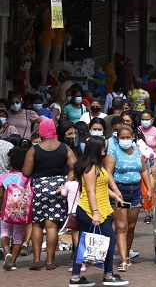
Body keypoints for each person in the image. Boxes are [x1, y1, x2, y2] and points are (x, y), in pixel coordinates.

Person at [69, 136, 129, 287]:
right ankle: (108, 275)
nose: (105, 150)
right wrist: (95, 212)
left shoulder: (98, 166)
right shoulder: (91, 168)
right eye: (103, 148)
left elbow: (101, 187)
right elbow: (90, 191)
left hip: (99, 208)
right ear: (97, 149)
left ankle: (76, 278)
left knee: (83, 243)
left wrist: (115, 196)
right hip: (90, 210)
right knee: (110, 240)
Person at [22, 119, 77, 271]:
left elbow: (26, 172)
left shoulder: (34, 150)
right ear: (54, 130)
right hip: (58, 188)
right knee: (52, 226)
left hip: (39, 188)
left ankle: (36, 260)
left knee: (37, 225)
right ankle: (50, 261)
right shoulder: (64, 148)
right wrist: (66, 182)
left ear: (41, 131)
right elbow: (75, 167)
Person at [104, 124, 152, 272]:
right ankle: (123, 259)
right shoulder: (113, 152)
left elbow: (143, 170)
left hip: (135, 191)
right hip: (120, 191)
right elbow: (108, 173)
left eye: (128, 137)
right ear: (117, 139)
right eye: (122, 138)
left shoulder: (137, 152)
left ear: (132, 138)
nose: (125, 140)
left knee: (131, 226)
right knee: (121, 226)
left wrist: (149, 188)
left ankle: (127, 254)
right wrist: (116, 190)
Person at [0, 147, 29, 271]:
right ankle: (13, 261)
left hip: (5, 210)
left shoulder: (3, 177)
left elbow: (0, 195)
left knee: (4, 232)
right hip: (20, 211)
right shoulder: (25, 178)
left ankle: (7, 253)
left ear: (10, 162)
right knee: (18, 236)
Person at [138, 110, 156, 224]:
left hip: (153, 161)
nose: (145, 121)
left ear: (152, 120)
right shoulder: (138, 130)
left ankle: (153, 211)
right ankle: (148, 213)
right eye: (143, 119)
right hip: (142, 161)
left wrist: (155, 166)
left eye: (147, 119)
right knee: (144, 190)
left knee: (151, 188)